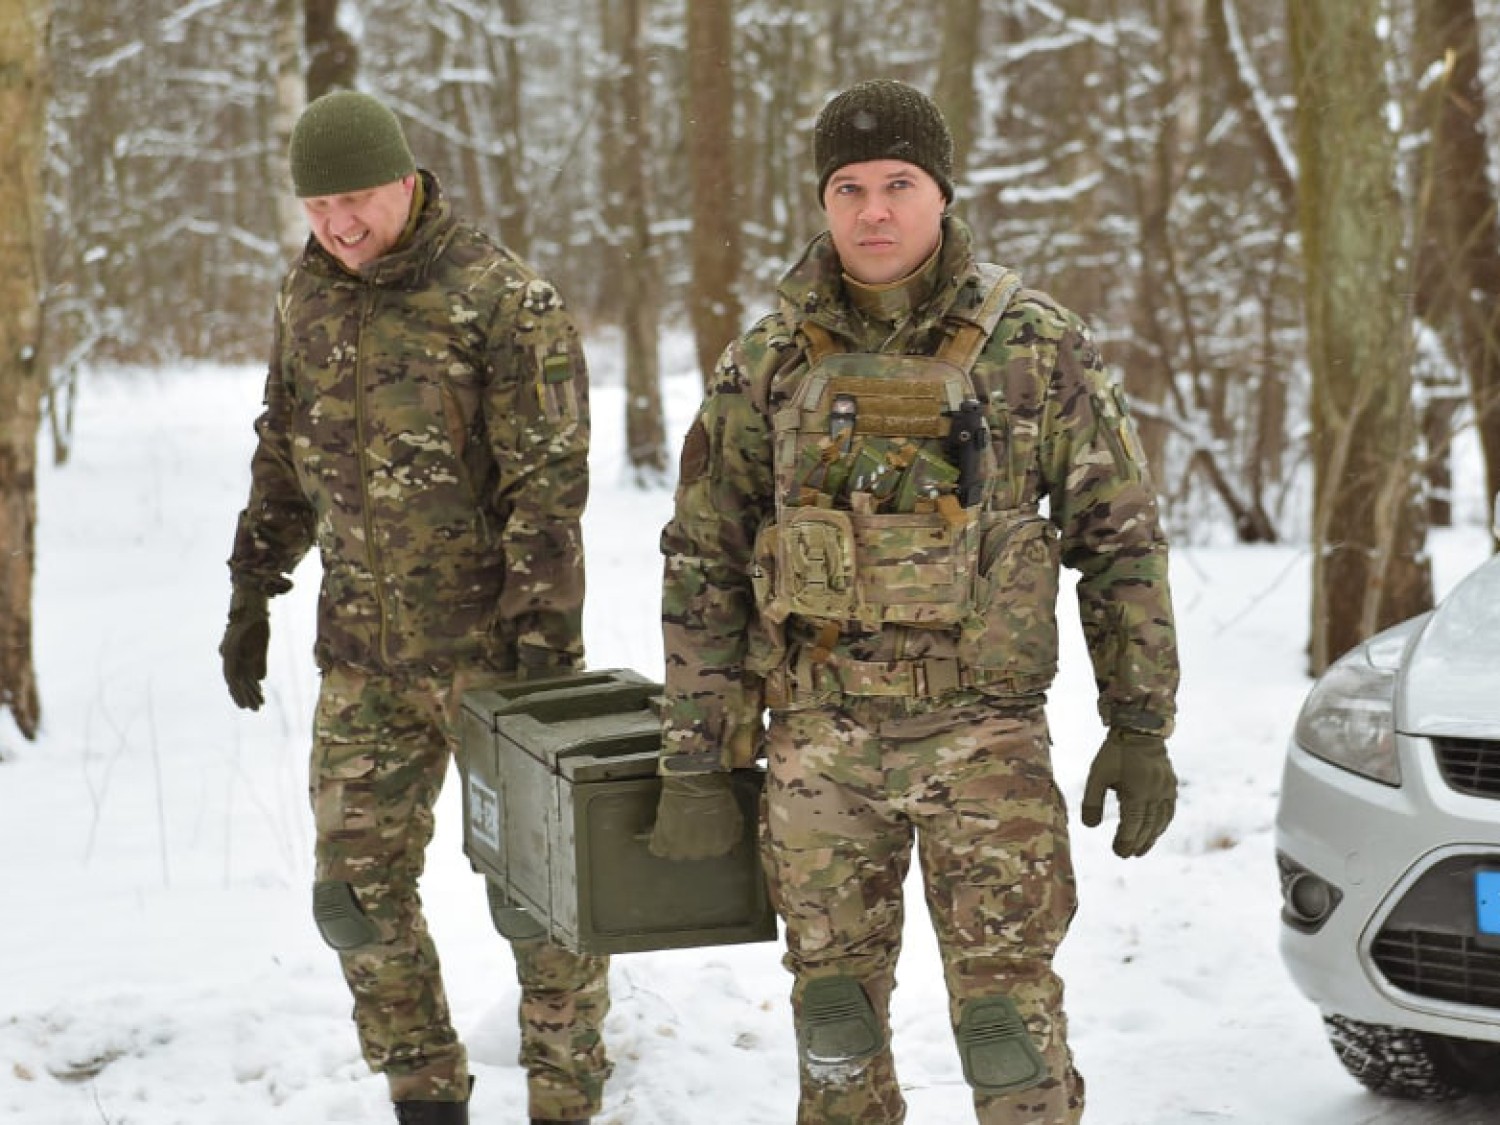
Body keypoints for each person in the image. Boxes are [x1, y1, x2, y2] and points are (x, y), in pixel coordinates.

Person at [649, 79, 1180, 1124]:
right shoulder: (765, 361)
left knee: (1007, 1034)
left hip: (985, 740)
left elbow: (1119, 541)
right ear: (822, 201)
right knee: (835, 1027)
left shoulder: (1036, 346)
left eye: (899, 183)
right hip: (819, 742)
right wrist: (697, 758)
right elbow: (705, 560)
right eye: (848, 188)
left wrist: (1140, 721)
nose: (874, 211)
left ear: (942, 192)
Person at [218, 90, 609, 1125]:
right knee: (352, 899)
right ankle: (425, 1093)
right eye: (317, 207)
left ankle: (565, 1097)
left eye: (355, 200)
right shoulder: (306, 296)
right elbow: (283, 446)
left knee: (540, 903)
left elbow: (549, 489)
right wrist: (254, 583)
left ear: (405, 182)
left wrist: (544, 655)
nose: (338, 225)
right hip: (363, 657)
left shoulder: (501, 299)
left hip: (497, 660)